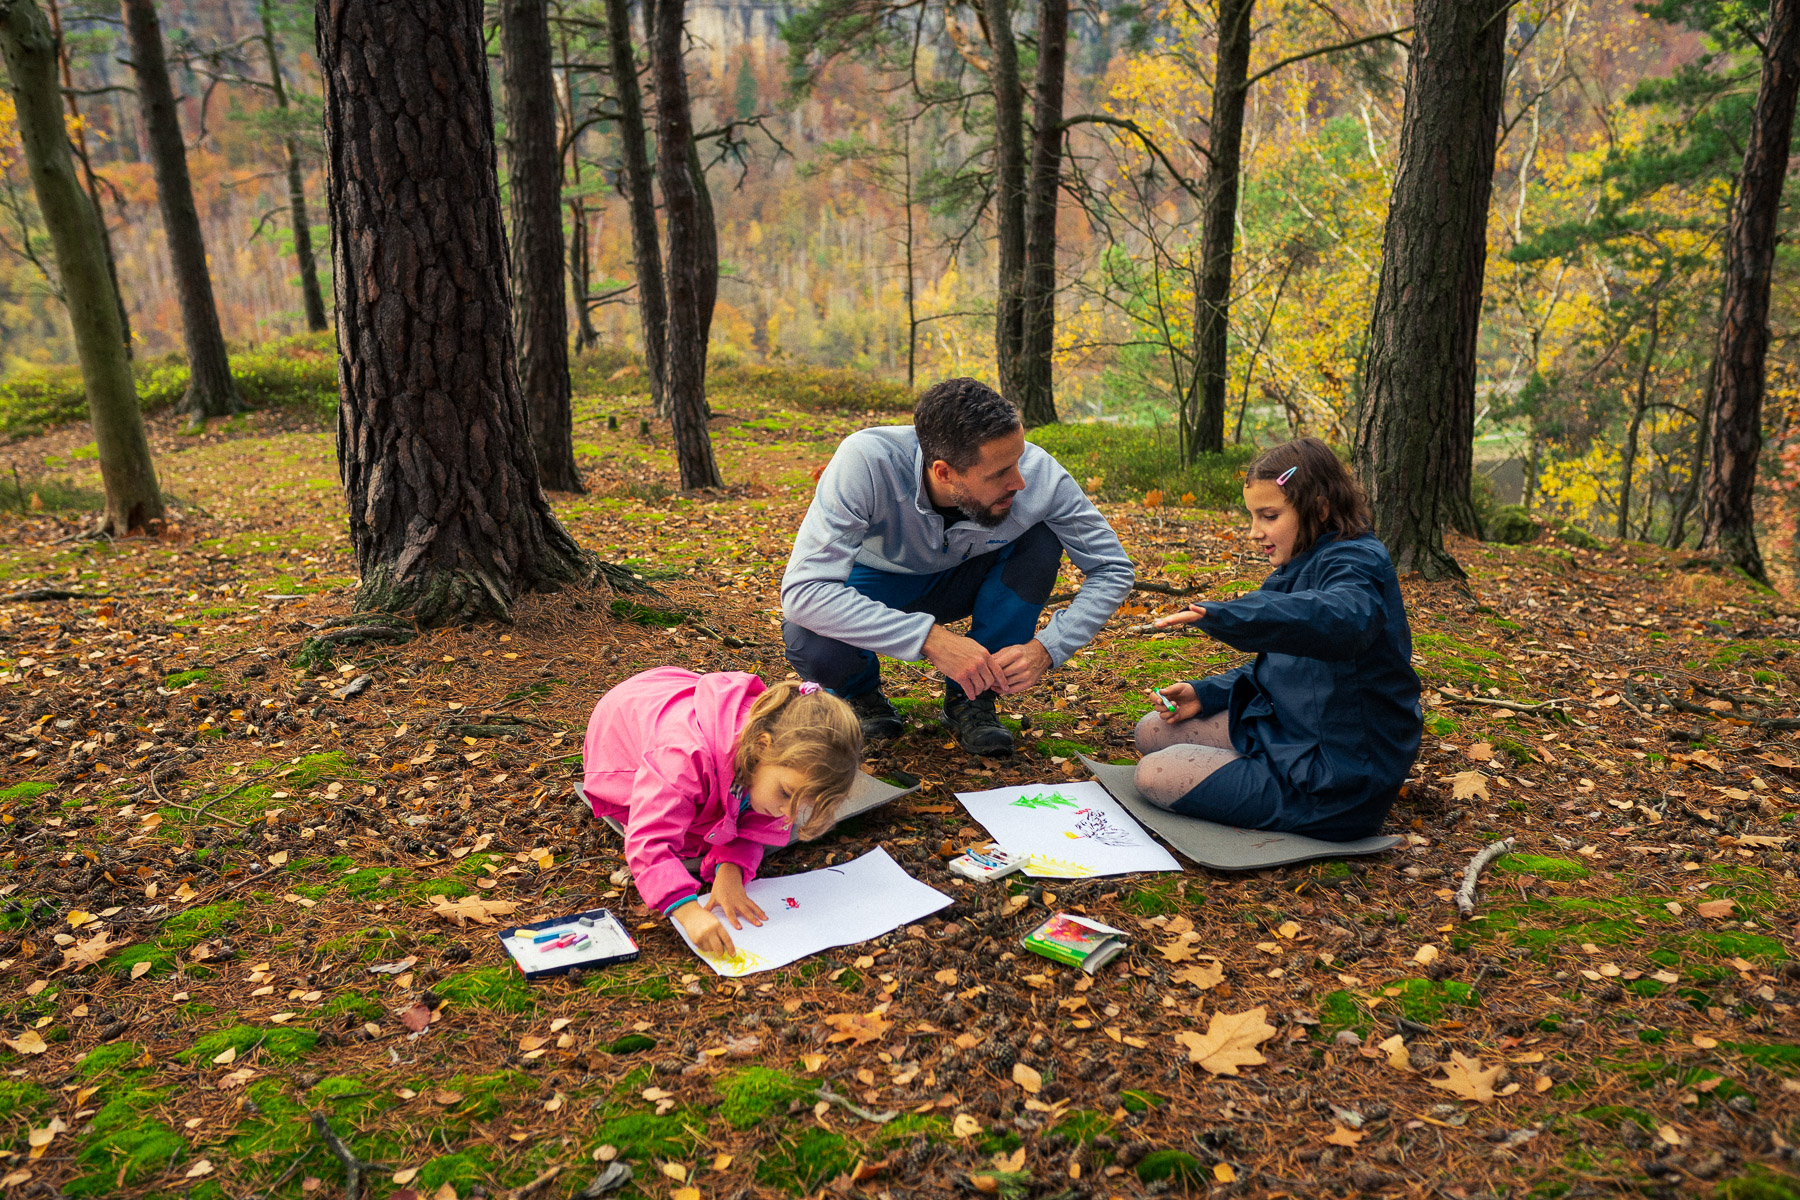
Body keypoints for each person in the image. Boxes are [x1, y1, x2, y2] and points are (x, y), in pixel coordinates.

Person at [781, 377, 1134, 755]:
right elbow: (804, 593)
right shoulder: (867, 461)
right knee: (809, 636)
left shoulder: (1041, 476)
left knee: (1041, 539)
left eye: (1018, 459)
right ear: (943, 472)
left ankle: (974, 696)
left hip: (970, 578)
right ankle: (860, 692)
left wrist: (1049, 648)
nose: (1020, 481)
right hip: (879, 583)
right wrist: (930, 639)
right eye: (1000, 473)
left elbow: (1113, 568)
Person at [1137, 437, 1421, 840]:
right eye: (1253, 516)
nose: (1255, 533)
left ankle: (1290, 798)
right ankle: (1246, 765)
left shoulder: (1357, 563)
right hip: (1293, 731)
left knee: (1154, 775)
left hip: (1337, 779)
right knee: (1150, 731)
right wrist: (1209, 694)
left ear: (1319, 509)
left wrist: (1229, 614)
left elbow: (1342, 619)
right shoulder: (1299, 563)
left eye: (1269, 516)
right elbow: (1283, 665)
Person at [578, 669, 862, 956]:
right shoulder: (683, 756)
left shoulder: (777, 759)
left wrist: (731, 868)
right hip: (620, 734)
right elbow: (649, 839)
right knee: (685, 832)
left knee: (730, 813)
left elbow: (753, 823)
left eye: (802, 804)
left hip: (666, 703)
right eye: (787, 794)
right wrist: (687, 910)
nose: (788, 814)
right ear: (762, 746)